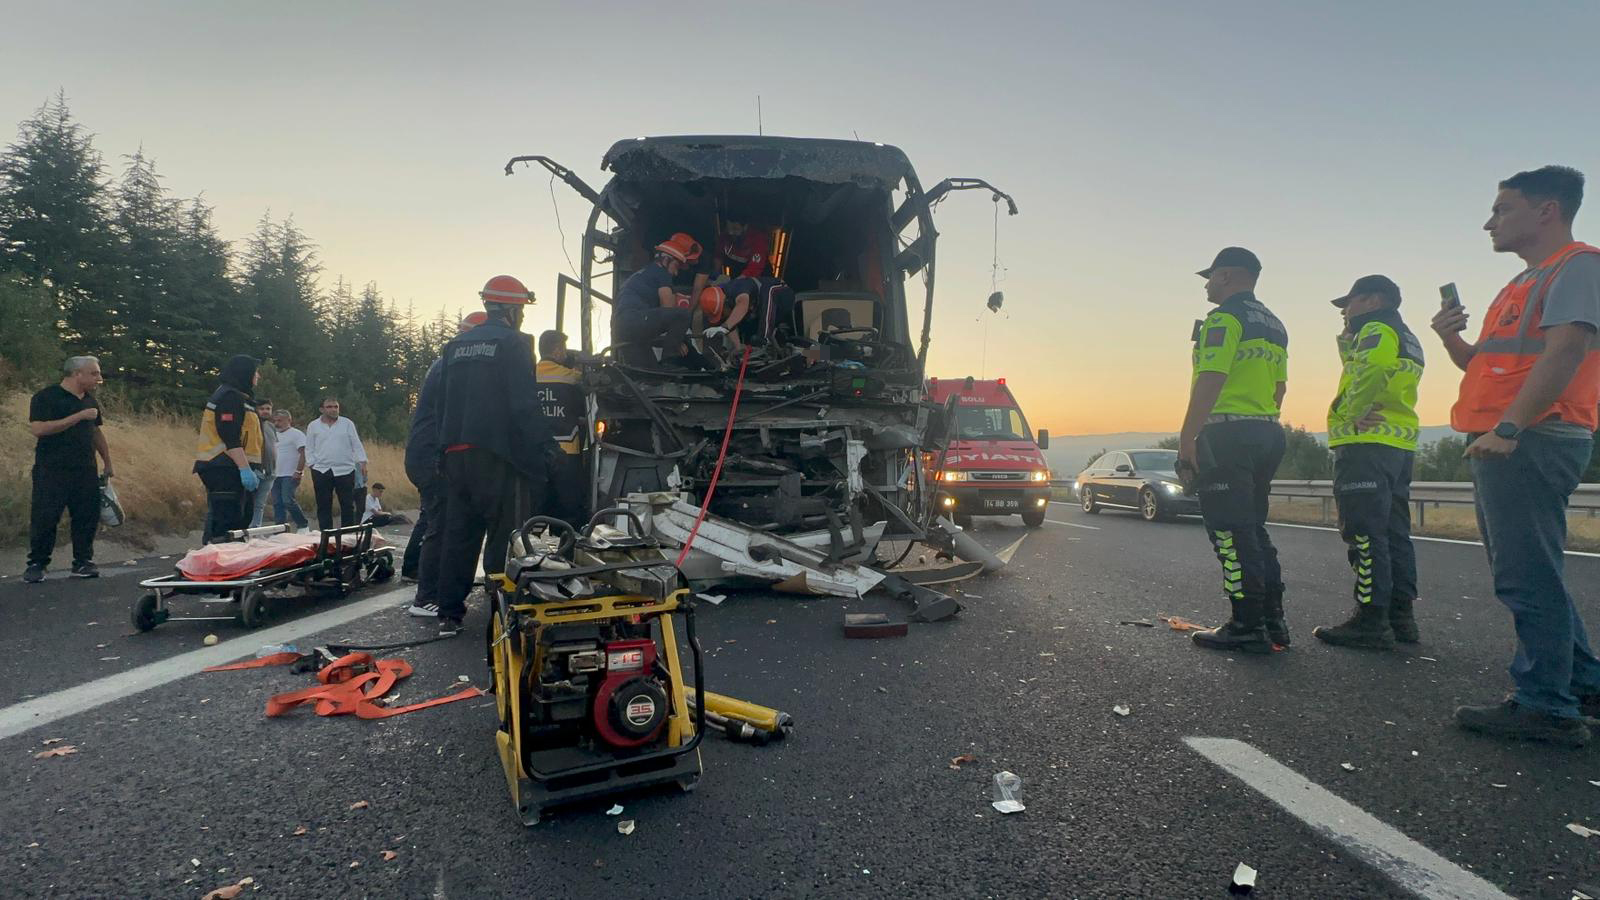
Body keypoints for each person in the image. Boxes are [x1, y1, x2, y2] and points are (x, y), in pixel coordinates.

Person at [1437, 166, 1600, 747]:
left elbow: (1567, 351)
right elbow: (1483, 365)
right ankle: (1581, 683)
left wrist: (1509, 427)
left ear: (1547, 211)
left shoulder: (1577, 265)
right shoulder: (1521, 284)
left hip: (1530, 438)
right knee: (1535, 570)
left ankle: (1546, 705)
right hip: (1508, 437)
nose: (1490, 222)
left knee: (1525, 574)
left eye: (1502, 209)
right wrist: (1450, 338)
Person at [1177, 247, 1290, 654]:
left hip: (1227, 433)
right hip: (1267, 430)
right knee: (1253, 528)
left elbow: (1211, 375)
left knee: (1229, 530)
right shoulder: (1274, 324)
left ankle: (1246, 625)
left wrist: (1188, 437)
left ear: (1226, 276)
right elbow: (1280, 386)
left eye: (1210, 277)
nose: (1207, 284)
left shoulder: (1223, 319)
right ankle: (1273, 622)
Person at [433, 275, 557, 637]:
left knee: (460, 534)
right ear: (512, 309)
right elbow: (523, 404)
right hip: (498, 456)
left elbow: (443, 405)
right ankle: (501, 613)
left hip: (455, 454)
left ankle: (449, 614)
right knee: (505, 535)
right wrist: (543, 447)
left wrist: (442, 450)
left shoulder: (454, 347)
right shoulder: (515, 343)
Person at [1313, 276, 1425, 650]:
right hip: (1398, 442)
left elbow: (1372, 368)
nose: (1345, 311)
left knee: (1362, 531)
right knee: (1394, 532)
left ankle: (1370, 619)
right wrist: (1346, 338)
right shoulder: (1405, 333)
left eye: (1350, 302)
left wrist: (1352, 413)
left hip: (1366, 444)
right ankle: (1401, 618)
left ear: (1374, 299)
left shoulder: (1376, 328)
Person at [402, 310, 486, 600]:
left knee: (434, 518)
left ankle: (426, 579)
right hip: (431, 457)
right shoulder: (449, 367)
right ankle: (427, 595)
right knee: (441, 524)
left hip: (425, 454)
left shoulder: (444, 364)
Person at [23, 356, 113, 582]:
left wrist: (107, 461)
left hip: (85, 469)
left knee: (86, 516)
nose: (98, 379)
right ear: (76, 374)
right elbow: (39, 429)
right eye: (94, 374)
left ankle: (83, 562)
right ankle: (37, 563)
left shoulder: (90, 401)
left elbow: (95, 432)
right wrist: (78, 416)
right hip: (51, 469)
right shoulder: (46, 398)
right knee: (46, 516)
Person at [193, 355, 264, 544]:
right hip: (222, 466)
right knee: (225, 522)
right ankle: (217, 563)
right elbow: (229, 435)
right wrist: (244, 468)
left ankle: (229, 562)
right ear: (244, 372)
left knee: (240, 519)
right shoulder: (229, 397)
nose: (258, 376)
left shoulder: (241, 397)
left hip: (232, 466)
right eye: (255, 372)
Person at [611, 233, 700, 365]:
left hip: (620, 330)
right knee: (683, 315)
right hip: (635, 320)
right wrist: (677, 341)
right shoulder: (661, 273)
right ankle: (669, 360)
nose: (676, 273)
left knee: (650, 376)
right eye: (676, 266)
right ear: (666, 260)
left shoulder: (641, 275)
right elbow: (668, 310)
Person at [537, 329, 588, 525]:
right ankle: (567, 550)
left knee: (538, 509)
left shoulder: (528, 375)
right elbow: (582, 407)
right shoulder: (570, 377)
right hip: (567, 452)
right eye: (563, 349)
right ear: (557, 350)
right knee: (570, 509)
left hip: (538, 451)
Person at [305, 397, 367, 531]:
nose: (333, 409)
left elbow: (356, 443)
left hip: (345, 469)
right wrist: (311, 464)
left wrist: (362, 462)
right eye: (329, 407)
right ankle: (326, 534)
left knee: (347, 504)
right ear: (322, 409)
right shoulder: (313, 425)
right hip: (321, 469)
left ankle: (348, 534)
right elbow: (309, 447)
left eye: (336, 407)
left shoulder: (347, 423)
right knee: (323, 504)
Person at [698, 276, 796, 350]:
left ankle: (764, 338)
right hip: (766, 312)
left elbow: (743, 304)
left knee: (767, 291)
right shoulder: (725, 303)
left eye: (721, 312)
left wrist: (724, 327)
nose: (723, 316)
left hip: (782, 294)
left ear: (725, 302)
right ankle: (773, 346)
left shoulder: (735, 287)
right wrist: (738, 348)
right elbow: (729, 324)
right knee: (751, 337)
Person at [269, 409, 309, 529]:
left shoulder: (296, 434)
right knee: (277, 503)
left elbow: (303, 453)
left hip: (290, 474)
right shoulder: (273, 434)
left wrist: (298, 471)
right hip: (275, 474)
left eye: (280, 420)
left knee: (288, 500)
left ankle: (303, 524)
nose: (277, 423)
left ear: (289, 420)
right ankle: (280, 529)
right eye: (275, 421)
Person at [248, 399, 278, 528]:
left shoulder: (271, 426)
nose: (265, 411)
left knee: (260, 505)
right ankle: (245, 531)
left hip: (270, 471)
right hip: (255, 470)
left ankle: (256, 531)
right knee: (249, 503)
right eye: (262, 409)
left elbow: (273, 446)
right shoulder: (251, 424)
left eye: (268, 409)